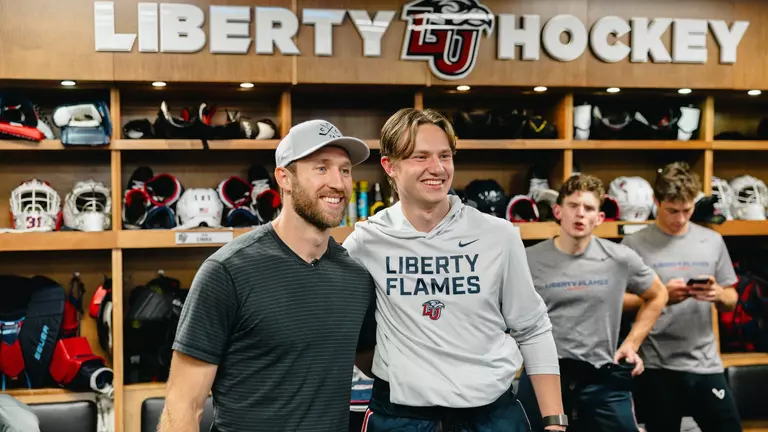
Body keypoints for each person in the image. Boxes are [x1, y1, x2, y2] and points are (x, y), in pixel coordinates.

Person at [344, 108, 568, 432]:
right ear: (389, 166)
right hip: (401, 418)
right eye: (420, 157)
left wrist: (555, 421)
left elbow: (531, 328)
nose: (436, 168)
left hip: (493, 417)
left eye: (445, 156)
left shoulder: (498, 235)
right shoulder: (367, 240)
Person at [158, 119, 377, 432]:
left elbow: (379, 363)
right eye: (321, 168)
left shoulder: (356, 278)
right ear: (284, 178)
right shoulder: (227, 272)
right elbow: (183, 405)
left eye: (344, 170)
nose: (338, 183)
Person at [518, 174, 668, 432]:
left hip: (601, 376)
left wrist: (631, 344)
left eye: (588, 208)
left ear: (599, 218)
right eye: (573, 206)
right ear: (557, 211)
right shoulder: (527, 259)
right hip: (545, 374)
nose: (580, 214)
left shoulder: (619, 258)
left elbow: (658, 295)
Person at [621, 162, 741, 432]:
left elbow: (732, 298)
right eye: (672, 210)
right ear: (656, 201)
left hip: (705, 362)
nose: (679, 218)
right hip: (655, 365)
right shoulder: (634, 244)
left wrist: (718, 294)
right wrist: (661, 296)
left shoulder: (711, 240)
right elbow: (615, 303)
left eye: (686, 210)